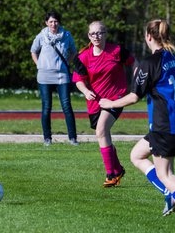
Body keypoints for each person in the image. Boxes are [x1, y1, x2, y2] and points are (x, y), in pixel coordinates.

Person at [99, 19, 175, 225]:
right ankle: (170, 193)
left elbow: (133, 97)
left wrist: (109, 102)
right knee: (136, 155)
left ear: (149, 36)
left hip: (164, 125)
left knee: (165, 173)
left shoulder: (149, 63)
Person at [72, 21, 134, 187]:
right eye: (93, 34)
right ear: (88, 36)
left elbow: (135, 64)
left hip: (115, 98)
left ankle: (111, 175)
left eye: (99, 33)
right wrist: (85, 91)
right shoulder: (83, 57)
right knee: (102, 135)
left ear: (106, 34)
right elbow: (78, 80)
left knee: (101, 130)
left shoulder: (117, 51)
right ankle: (118, 169)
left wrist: (138, 82)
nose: (96, 36)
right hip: (95, 103)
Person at [30, 10, 78, 146]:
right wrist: (38, 64)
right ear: (46, 23)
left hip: (62, 75)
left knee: (67, 106)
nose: (53, 24)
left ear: (59, 22)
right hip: (44, 76)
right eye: (50, 21)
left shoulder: (66, 35)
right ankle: (47, 138)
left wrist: (66, 62)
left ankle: (73, 138)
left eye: (55, 21)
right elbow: (33, 50)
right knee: (46, 107)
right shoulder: (41, 35)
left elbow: (73, 51)